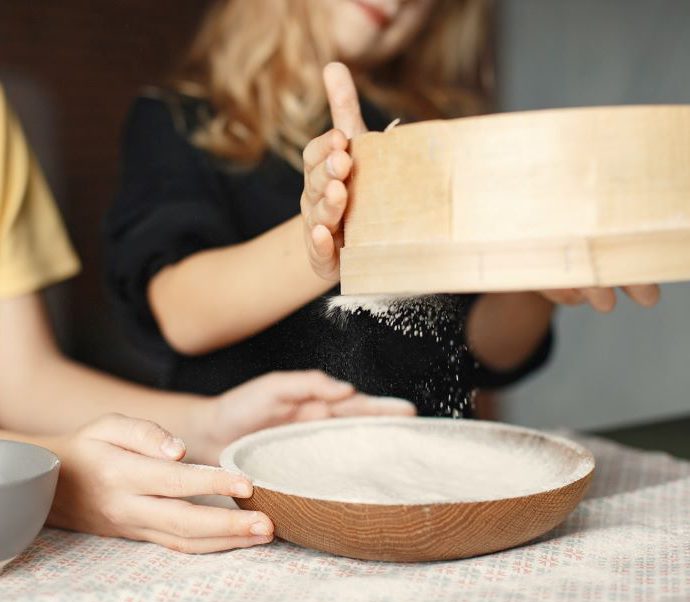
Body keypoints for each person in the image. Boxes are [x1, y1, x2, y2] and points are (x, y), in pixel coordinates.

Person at [105, 0, 659, 417]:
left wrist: (537, 285)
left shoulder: (435, 133)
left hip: (422, 481)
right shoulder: (176, 120)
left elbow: (482, 349)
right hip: (250, 486)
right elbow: (182, 315)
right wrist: (328, 240)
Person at [0, 84, 414, 553]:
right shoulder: (170, 121)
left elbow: (19, 379)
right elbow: (179, 308)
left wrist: (206, 427)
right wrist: (60, 481)